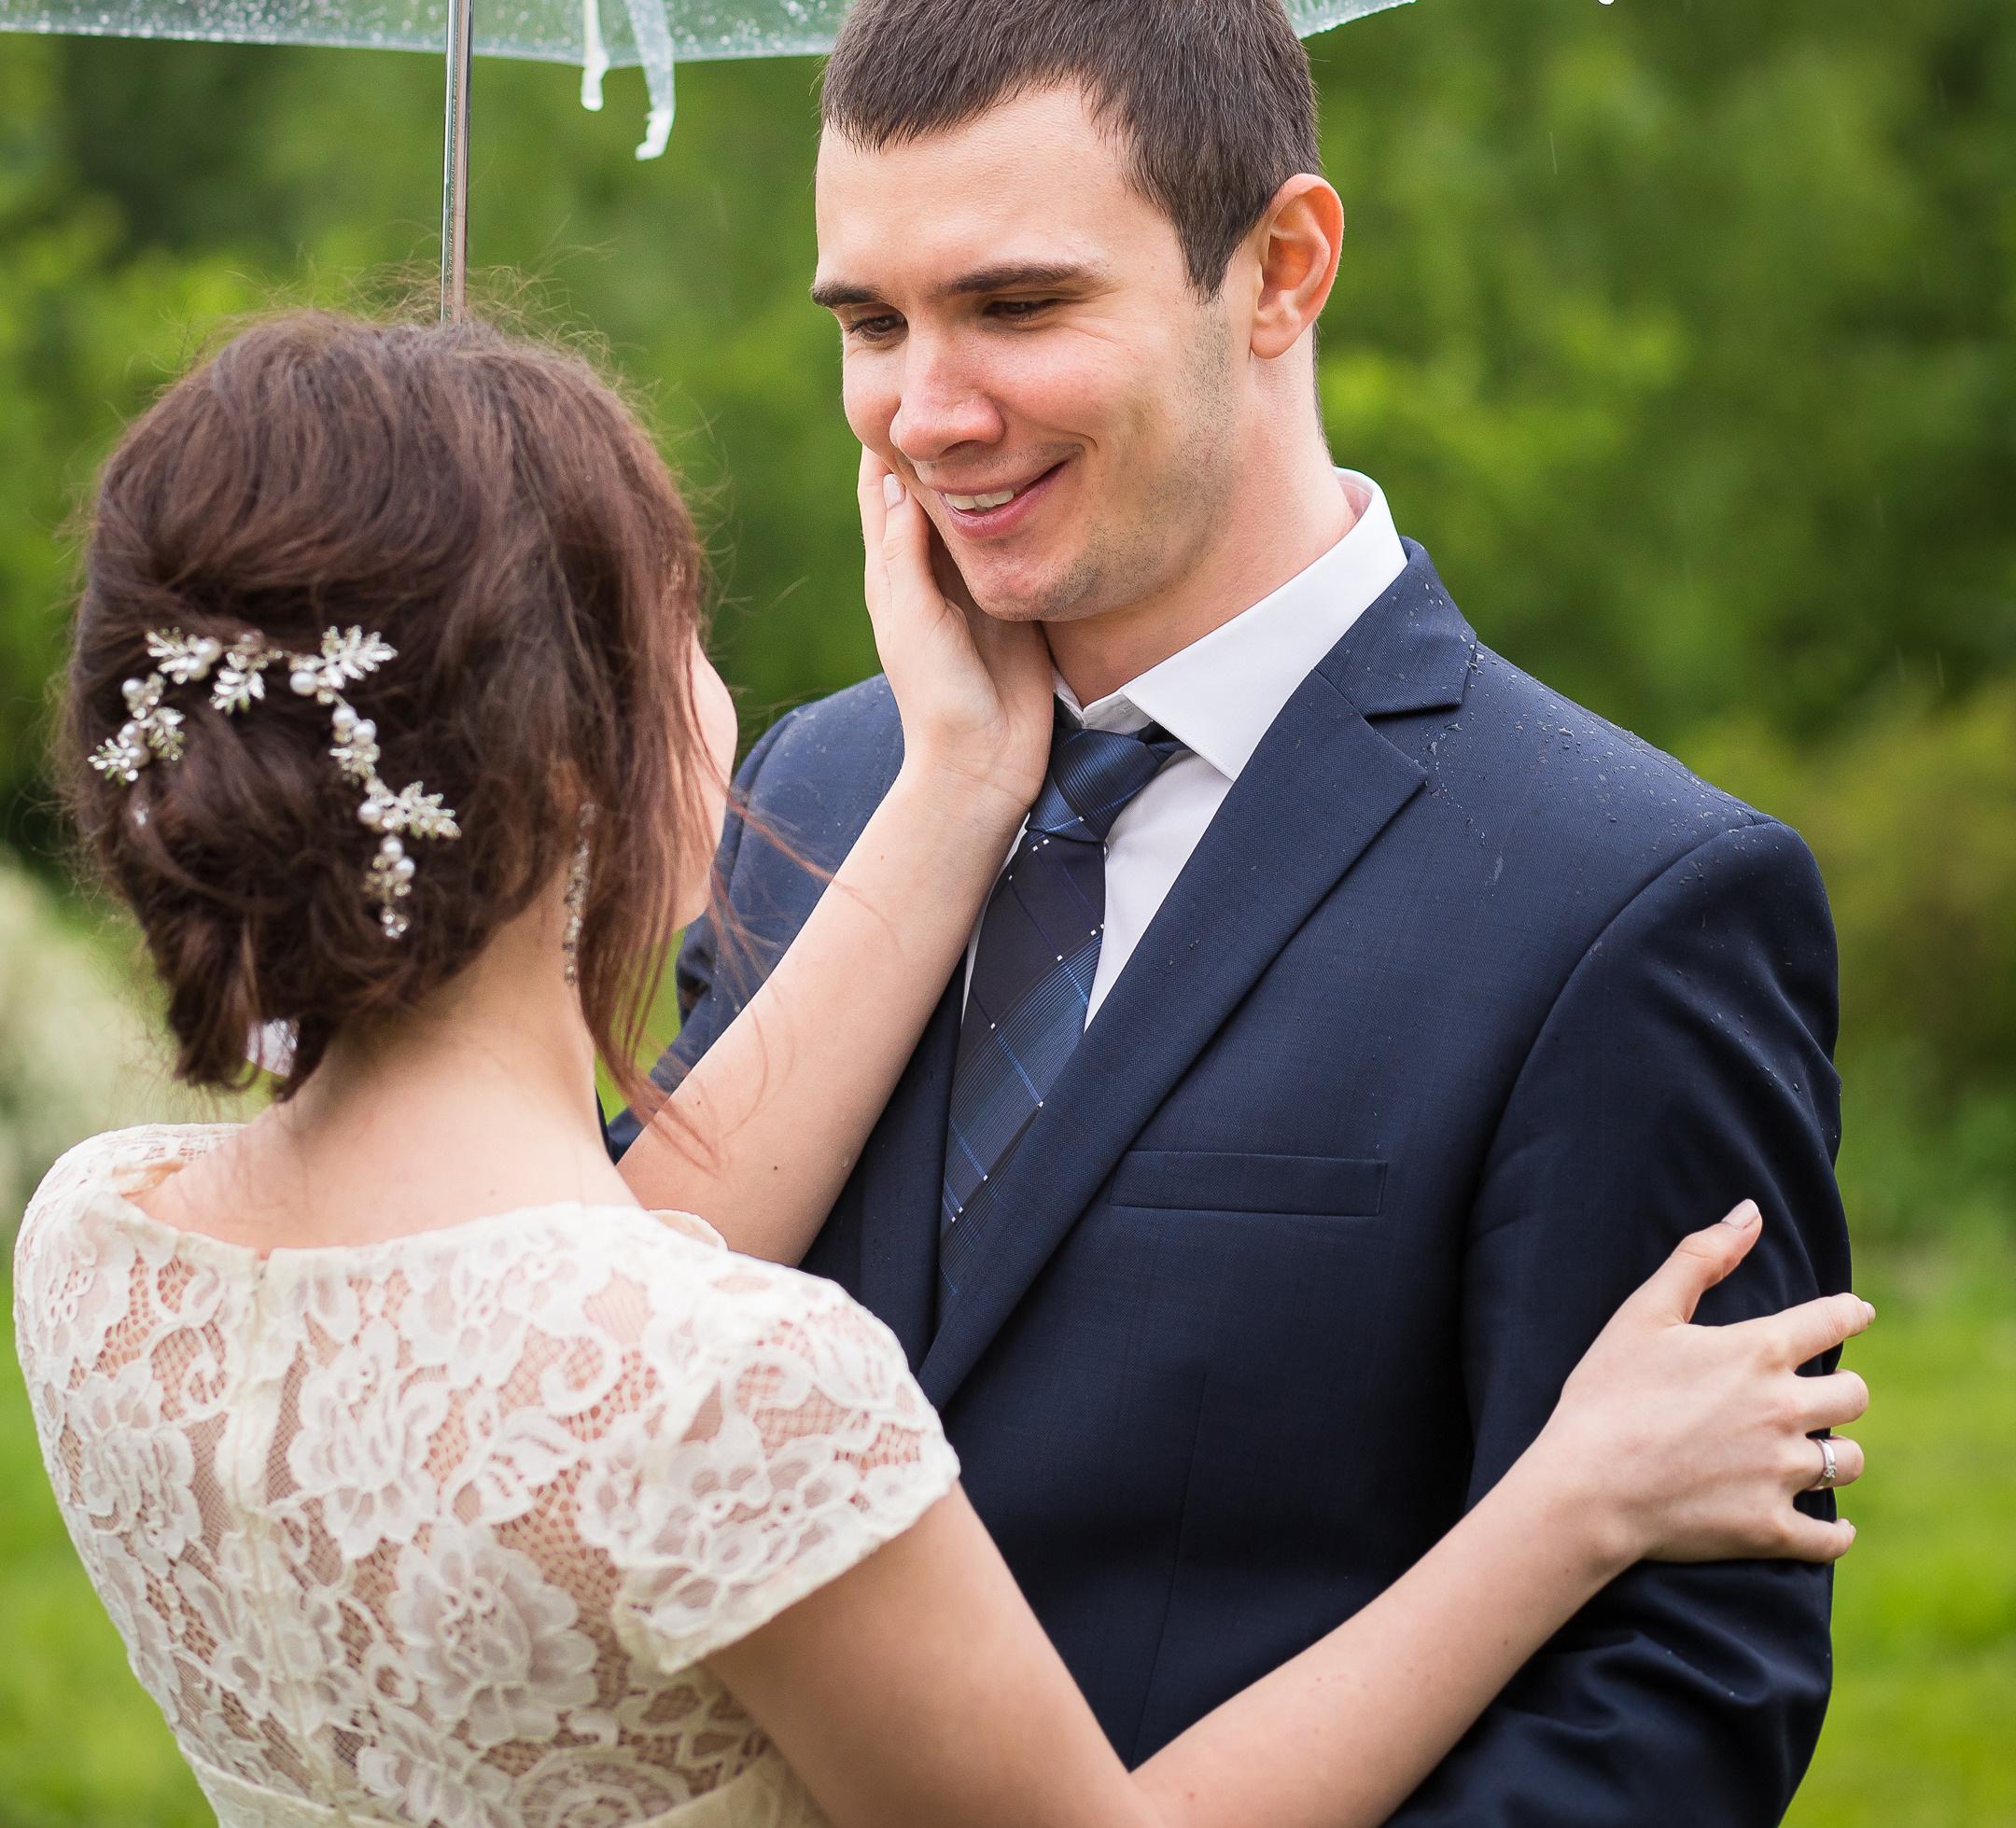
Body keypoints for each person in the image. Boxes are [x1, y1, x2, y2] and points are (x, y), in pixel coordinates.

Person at [15, 311, 1866, 1828]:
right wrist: (1569, 1506)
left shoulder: (102, 1252)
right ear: (581, 762)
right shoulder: (725, 1392)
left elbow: (569, 1298)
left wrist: (966, 784)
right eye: (686, 630)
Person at [616, 0, 1859, 1823]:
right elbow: (601, 1359)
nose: (927, 413)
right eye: (872, 322)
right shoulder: (824, 789)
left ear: (1282, 268)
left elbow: (1677, 1697)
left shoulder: (1630, 899)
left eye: (1018, 306)